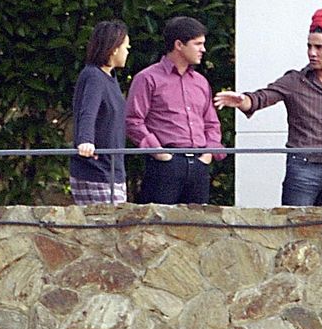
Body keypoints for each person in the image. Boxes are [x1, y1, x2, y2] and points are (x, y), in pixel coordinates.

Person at [214, 8, 322, 206]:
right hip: (302, 167)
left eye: (319, 47)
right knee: (294, 230)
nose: (312, 53)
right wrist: (244, 101)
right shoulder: (295, 81)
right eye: (309, 46)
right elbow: (264, 97)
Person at [126, 16, 226, 204]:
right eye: (197, 44)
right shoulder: (148, 78)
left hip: (199, 164)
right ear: (179, 44)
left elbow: (211, 122)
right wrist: (159, 152)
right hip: (164, 165)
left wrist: (208, 154)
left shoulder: (201, 82)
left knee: (198, 227)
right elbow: (133, 120)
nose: (203, 49)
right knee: (159, 228)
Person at [70, 20, 130, 205]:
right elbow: (87, 112)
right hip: (96, 171)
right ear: (113, 49)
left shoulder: (110, 78)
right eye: (125, 47)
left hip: (112, 169)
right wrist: (85, 141)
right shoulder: (94, 76)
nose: (127, 51)